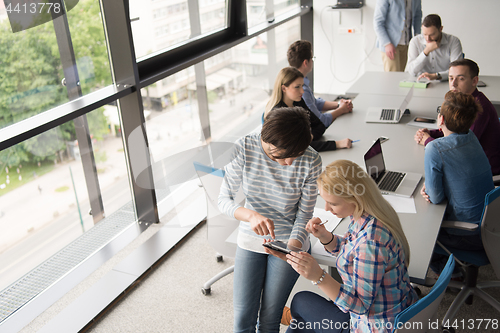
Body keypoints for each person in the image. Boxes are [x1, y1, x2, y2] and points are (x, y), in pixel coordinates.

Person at [265, 160, 418, 333]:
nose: (327, 208)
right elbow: (351, 250)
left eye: (333, 203)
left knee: (300, 302)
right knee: (301, 325)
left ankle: (298, 320)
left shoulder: (371, 244)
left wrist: (318, 276)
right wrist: (325, 237)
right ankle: (301, 322)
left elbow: (360, 307)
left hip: (374, 325)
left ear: (355, 197)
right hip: (397, 307)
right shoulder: (367, 215)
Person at [218, 107, 322, 332]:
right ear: (266, 141)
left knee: (269, 318)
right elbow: (223, 200)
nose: (290, 163)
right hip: (251, 238)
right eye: (282, 156)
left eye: (296, 155)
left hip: (290, 241)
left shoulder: (311, 160)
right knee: (243, 318)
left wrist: (289, 250)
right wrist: (250, 215)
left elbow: (304, 214)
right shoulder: (244, 147)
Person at [421, 91, 494, 275]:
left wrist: (430, 188)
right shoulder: (471, 136)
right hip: (491, 226)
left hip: (470, 235)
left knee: (421, 232)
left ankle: (453, 275)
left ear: (441, 118)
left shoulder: (435, 148)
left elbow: (436, 198)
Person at [414, 59, 500, 175]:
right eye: (450, 78)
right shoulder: (462, 103)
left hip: (484, 172)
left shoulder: (478, 108)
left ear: (474, 81)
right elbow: (456, 131)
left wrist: (428, 141)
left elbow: (460, 149)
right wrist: (431, 133)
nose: (453, 84)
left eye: (461, 79)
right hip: (470, 163)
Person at [264, 67, 352, 152]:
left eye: (302, 86)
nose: (302, 91)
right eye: (297, 87)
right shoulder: (279, 114)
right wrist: (336, 144)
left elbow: (320, 126)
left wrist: (308, 138)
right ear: (284, 88)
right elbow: (297, 148)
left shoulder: (298, 102)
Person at [287, 40, 353, 126]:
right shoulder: (302, 90)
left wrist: (339, 104)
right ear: (305, 63)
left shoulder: (301, 82)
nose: (313, 61)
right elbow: (321, 121)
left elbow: (315, 103)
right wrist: (341, 110)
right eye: (312, 58)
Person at [406, 14, 463, 81]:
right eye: (425, 34)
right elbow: (412, 71)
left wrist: (437, 76)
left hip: (445, 82)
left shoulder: (453, 41)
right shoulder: (415, 42)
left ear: (440, 29)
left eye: (432, 34)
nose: (428, 39)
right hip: (421, 81)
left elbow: (457, 70)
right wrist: (426, 52)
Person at [374, 0, 422, 72]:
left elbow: (418, 16)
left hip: (407, 43)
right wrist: (387, 43)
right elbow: (378, 22)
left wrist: (417, 36)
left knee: (400, 76)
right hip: (390, 44)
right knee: (392, 78)